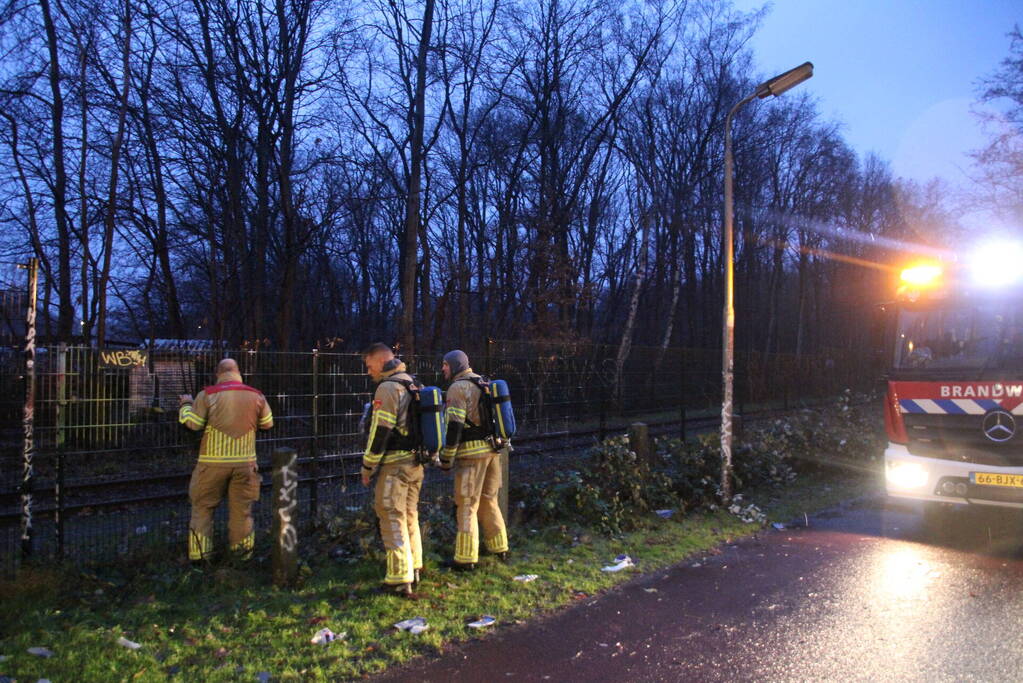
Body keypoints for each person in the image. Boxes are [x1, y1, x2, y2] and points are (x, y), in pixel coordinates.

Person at [178, 358, 273, 562]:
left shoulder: (207, 394)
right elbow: (268, 423)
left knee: (202, 508)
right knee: (242, 512)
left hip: (212, 464)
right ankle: (242, 557)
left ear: (218, 374)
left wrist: (186, 404)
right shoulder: (256, 395)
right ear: (238, 373)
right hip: (245, 464)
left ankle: (200, 558)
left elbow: (193, 424)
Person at [360, 343, 424, 596]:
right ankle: (414, 568)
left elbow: (381, 430)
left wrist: (368, 465)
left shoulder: (387, 387)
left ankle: (398, 579)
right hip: (415, 463)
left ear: (380, 360)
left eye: (369, 366)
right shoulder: (412, 382)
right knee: (409, 515)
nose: (368, 372)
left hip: (395, 465)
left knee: (391, 516)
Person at [439, 350, 508, 570]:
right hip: (492, 451)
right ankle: (500, 548)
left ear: (455, 365)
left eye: (445, 364)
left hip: (471, 455)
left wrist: (446, 458)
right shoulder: (484, 382)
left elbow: (454, 426)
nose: (443, 369)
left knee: (467, 505)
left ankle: (465, 559)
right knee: (489, 500)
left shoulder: (457, 387)